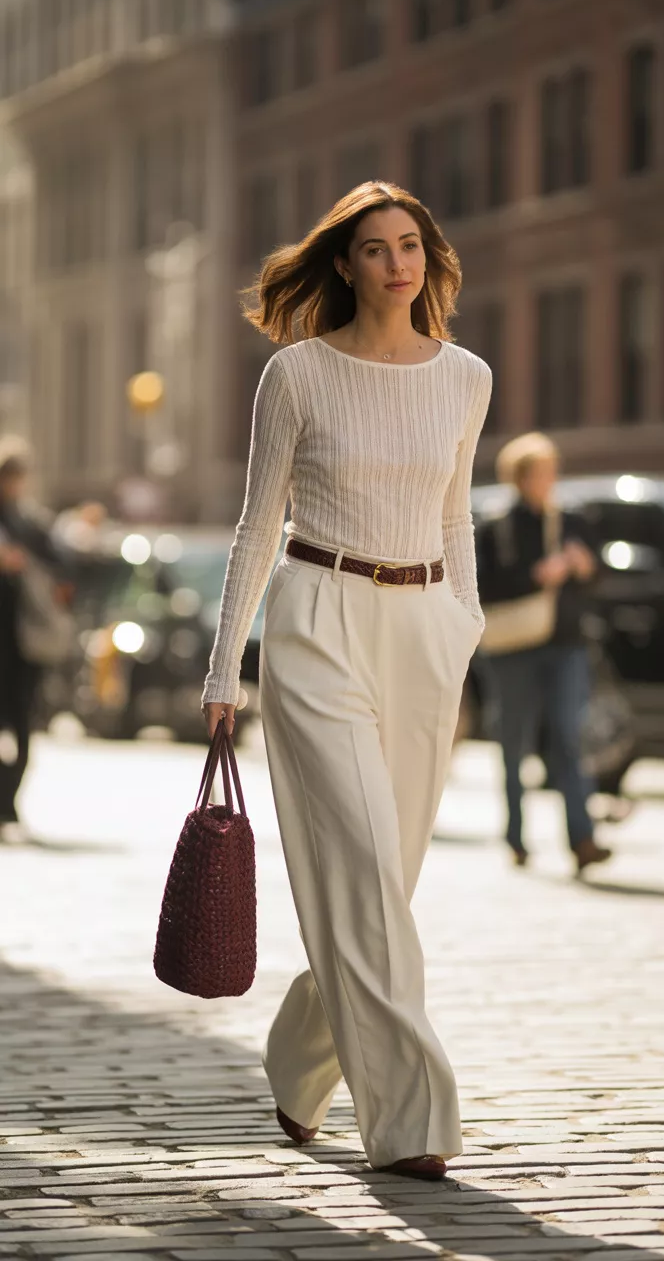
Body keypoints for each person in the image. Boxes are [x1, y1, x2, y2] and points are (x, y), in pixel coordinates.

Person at [201, 181, 491, 1181]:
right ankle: (414, 1116)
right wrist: (224, 667)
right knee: (362, 866)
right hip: (318, 616)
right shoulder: (298, 375)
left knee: (386, 884)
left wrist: (465, 617)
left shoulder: (466, 377)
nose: (397, 263)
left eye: (411, 245)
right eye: (375, 248)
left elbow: (455, 517)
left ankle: (297, 1062)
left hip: (421, 630)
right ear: (344, 264)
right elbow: (256, 523)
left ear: (429, 258)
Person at [475, 432, 611, 873]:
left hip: (566, 645)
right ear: (519, 478)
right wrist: (538, 576)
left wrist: (585, 569)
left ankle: (583, 838)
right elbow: (483, 589)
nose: (548, 480)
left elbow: (598, 578)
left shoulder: (571, 520)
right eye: (539, 473)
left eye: (552, 472)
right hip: (513, 649)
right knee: (514, 744)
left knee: (570, 739)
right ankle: (515, 837)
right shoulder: (498, 526)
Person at [0, 437, 71, 841]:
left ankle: (8, 804)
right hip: (8, 645)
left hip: (24, 646)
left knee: (24, 727)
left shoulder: (30, 524)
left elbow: (64, 571)